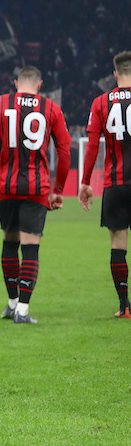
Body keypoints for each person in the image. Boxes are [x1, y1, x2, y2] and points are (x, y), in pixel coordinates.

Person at [0, 65, 70, 324]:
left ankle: (10, 303)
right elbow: (64, 152)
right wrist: (59, 190)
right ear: (39, 84)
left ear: (15, 83)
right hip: (36, 188)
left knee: (9, 242)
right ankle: (23, 309)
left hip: (5, 187)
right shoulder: (52, 108)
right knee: (31, 246)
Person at [78, 50, 131, 318]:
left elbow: (92, 148)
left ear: (115, 74)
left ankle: (124, 306)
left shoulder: (101, 102)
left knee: (118, 242)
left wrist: (85, 182)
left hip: (116, 184)